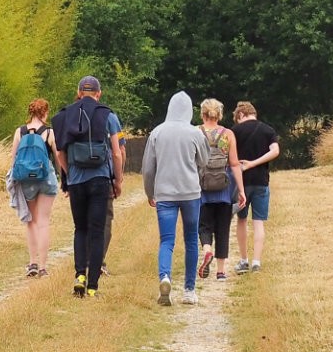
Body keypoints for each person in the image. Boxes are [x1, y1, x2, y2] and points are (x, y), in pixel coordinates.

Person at [50, 75, 125, 298]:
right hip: (100, 180)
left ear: (79, 92)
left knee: (80, 229)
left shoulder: (65, 115)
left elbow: (59, 152)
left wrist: (68, 174)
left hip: (77, 181)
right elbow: (117, 152)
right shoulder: (108, 114)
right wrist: (118, 181)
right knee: (96, 230)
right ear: (99, 93)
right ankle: (93, 286)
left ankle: (79, 275)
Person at [140, 91, 207, 306]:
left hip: (165, 194)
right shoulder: (195, 133)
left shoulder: (157, 132)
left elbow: (148, 169)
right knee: (190, 241)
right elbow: (204, 161)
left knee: (167, 241)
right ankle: (189, 290)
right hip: (190, 193)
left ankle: (165, 277)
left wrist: (150, 193)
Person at [194, 99, 246, 281]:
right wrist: (241, 190)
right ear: (219, 114)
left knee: (204, 225)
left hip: (202, 187)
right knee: (223, 228)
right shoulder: (228, 134)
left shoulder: (196, 133)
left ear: (203, 114)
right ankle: (221, 271)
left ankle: (207, 249)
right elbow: (234, 164)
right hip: (224, 188)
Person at [8, 98, 58, 277]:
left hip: (26, 181)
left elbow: (13, 158)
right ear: (45, 113)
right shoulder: (49, 132)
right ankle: (43, 267)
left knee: (31, 221)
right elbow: (58, 156)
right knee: (44, 222)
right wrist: (64, 178)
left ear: (31, 112)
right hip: (46, 178)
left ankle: (32, 263)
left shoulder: (19, 132)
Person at [231, 101, 280, 274]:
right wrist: (254, 163)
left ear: (241, 115)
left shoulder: (234, 132)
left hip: (240, 184)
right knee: (258, 222)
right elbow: (275, 151)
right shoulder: (268, 130)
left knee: (242, 220)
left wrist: (246, 165)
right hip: (261, 181)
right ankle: (256, 262)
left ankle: (243, 260)